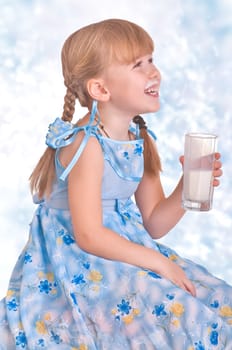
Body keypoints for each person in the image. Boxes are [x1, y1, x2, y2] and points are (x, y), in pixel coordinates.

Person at [0, 18, 231, 350]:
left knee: (213, 296)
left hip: (126, 249)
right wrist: (158, 263)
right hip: (78, 260)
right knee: (167, 304)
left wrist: (186, 188)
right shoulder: (86, 144)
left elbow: (154, 222)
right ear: (101, 89)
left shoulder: (138, 138)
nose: (154, 72)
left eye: (151, 60)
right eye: (138, 65)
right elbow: (89, 235)